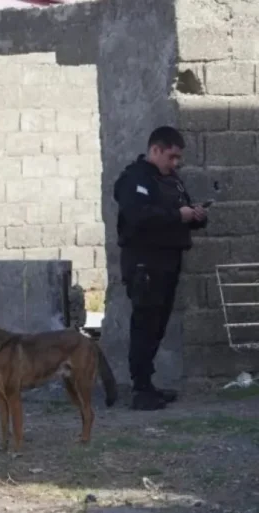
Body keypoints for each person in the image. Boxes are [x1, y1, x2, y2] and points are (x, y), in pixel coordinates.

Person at [113, 126, 208, 411]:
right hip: (145, 263)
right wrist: (176, 215)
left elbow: (179, 212)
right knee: (144, 325)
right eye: (171, 156)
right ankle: (140, 390)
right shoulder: (135, 179)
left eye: (178, 158)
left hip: (168, 262)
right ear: (155, 150)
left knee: (157, 326)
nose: (175, 163)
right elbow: (138, 216)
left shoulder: (172, 181)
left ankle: (148, 385)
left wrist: (196, 216)